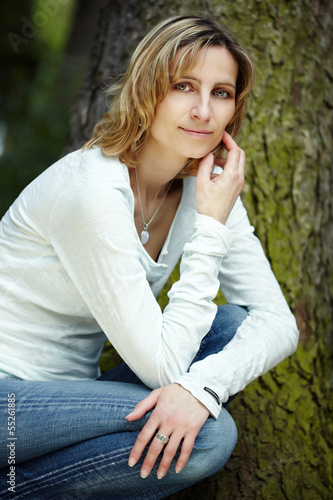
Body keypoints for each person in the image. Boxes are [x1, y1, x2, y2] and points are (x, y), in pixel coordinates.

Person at [0, 15, 298, 500]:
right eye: (184, 86)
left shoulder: (209, 191)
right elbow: (162, 369)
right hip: (8, 408)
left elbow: (280, 324)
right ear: (148, 89)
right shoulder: (92, 190)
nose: (203, 110)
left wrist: (202, 388)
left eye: (221, 92)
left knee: (231, 328)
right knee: (208, 435)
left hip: (71, 401)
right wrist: (210, 229)